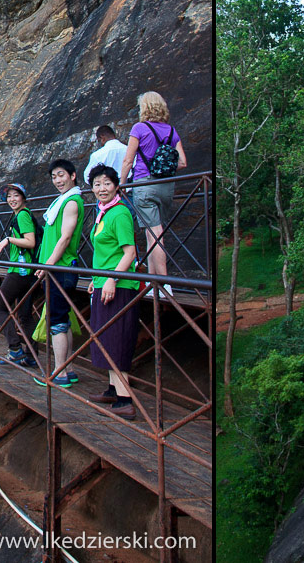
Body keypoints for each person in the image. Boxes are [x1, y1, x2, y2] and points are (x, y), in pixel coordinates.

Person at [119, 91, 187, 296]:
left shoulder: (139, 128)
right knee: (153, 234)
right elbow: (183, 162)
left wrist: (122, 186)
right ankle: (151, 283)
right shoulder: (171, 131)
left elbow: (128, 161)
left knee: (155, 235)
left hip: (144, 185)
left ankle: (164, 284)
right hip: (166, 186)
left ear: (145, 108)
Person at [86, 165, 141, 420]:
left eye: (107, 183)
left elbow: (129, 252)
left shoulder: (119, 214)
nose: (102, 189)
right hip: (104, 283)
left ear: (116, 185)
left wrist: (110, 279)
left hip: (119, 286)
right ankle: (113, 389)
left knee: (116, 339)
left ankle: (125, 400)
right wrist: (97, 280)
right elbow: (105, 253)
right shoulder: (103, 213)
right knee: (106, 337)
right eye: (97, 184)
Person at [33, 160, 85, 388]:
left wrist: (48, 265)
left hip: (60, 269)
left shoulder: (72, 202)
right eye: (54, 176)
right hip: (59, 268)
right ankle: (68, 368)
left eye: (61, 175)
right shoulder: (62, 201)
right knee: (61, 318)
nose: (57, 180)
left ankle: (60, 372)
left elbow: (65, 238)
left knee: (57, 322)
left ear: (73, 175)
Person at [0, 183, 39, 367]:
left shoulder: (23, 215)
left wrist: (8, 240)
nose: (12, 199)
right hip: (28, 271)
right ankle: (32, 355)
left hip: (20, 271)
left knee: (0, 308)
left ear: (23, 197)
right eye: (9, 196)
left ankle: (15, 349)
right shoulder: (20, 215)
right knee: (25, 315)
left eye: (15, 195)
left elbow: (30, 242)